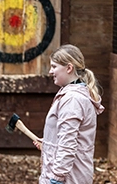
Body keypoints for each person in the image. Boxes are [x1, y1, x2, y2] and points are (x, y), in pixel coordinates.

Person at [33, 44, 105, 184]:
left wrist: (57, 178)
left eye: (54, 66)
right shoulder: (70, 95)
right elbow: (69, 136)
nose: (50, 71)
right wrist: (49, 142)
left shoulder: (73, 99)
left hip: (70, 179)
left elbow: (67, 144)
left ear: (69, 68)